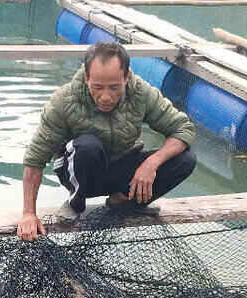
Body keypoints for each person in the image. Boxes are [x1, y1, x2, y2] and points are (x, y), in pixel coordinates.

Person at [17, 41, 197, 242]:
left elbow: (183, 128)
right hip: (80, 170)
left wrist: (151, 163)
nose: (105, 97)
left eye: (114, 87)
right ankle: (76, 202)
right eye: (97, 87)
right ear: (87, 77)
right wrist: (28, 213)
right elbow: (35, 159)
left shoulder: (141, 92)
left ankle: (124, 201)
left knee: (186, 159)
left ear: (126, 77)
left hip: (122, 164)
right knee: (88, 147)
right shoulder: (64, 101)